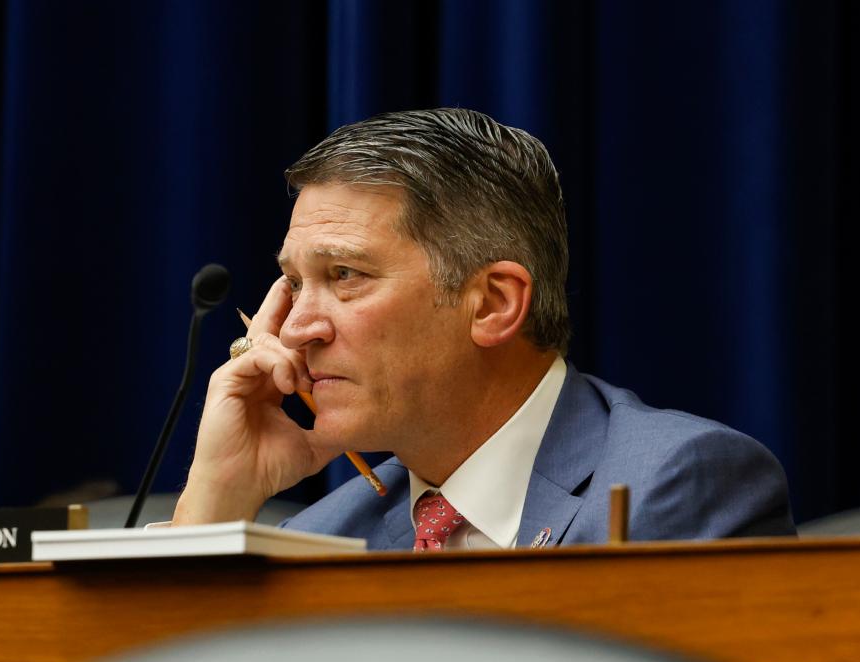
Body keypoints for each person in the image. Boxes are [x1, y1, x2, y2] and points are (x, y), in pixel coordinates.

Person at [171, 108, 795, 550]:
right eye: (296, 283)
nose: (298, 327)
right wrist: (214, 503)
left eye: (345, 275)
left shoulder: (676, 484)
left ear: (494, 303)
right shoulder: (326, 534)